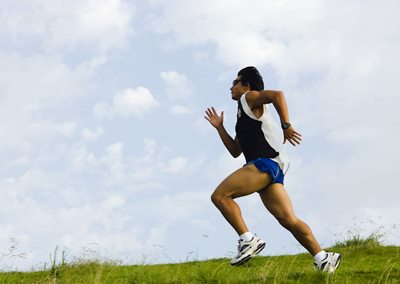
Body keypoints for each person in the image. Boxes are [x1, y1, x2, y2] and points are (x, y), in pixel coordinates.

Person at [204, 66, 341, 273]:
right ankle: (323, 258)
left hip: (263, 164)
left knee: (220, 196)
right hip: (273, 170)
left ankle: (248, 240)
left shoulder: (249, 97)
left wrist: (286, 126)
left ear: (246, 85)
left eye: (235, 82)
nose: (231, 87)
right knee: (289, 220)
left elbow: (278, 95)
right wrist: (219, 127)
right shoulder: (243, 118)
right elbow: (234, 150)